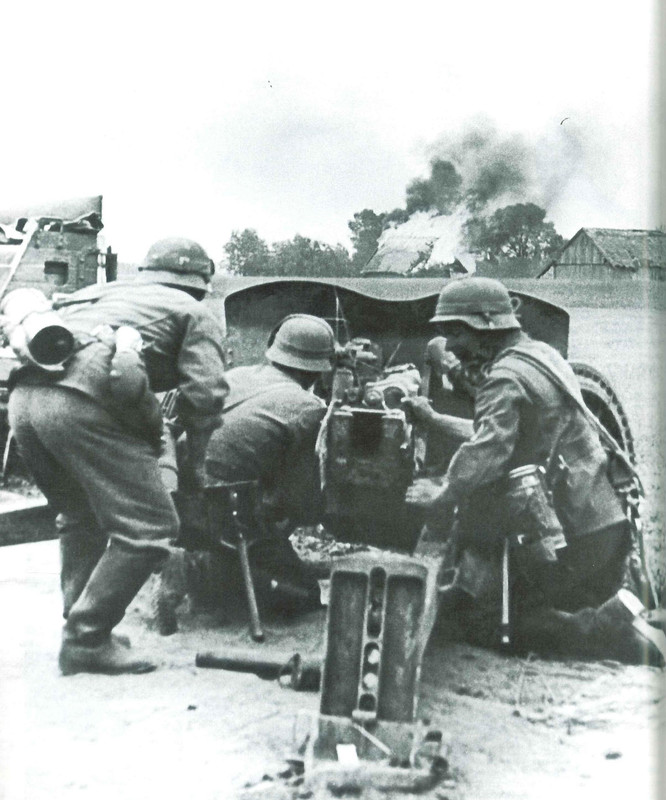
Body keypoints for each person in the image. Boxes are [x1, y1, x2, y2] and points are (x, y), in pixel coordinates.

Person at [404, 276, 663, 666]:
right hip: (605, 530)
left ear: (486, 327)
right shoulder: (540, 355)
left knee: (484, 621)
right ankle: (622, 615)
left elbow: (487, 451)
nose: (451, 345)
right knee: (485, 602)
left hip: (575, 544)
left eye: (456, 332)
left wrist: (442, 493)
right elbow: (499, 434)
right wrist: (433, 419)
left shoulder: (504, 379)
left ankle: (607, 629)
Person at [6, 237, 228, 675]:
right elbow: (205, 396)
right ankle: (86, 638)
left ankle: (83, 625)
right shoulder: (194, 311)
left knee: (79, 514)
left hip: (24, 400)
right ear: (199, 282)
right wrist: (198, 468)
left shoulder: (99, 292)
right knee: (150, 528)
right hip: (82, 402)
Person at [201, 314, 336, 602]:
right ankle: (204, 571)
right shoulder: (308, 407)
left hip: (178, 489)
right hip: (223, 508)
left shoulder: (237, 375)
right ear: (317, 370)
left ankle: (209, 564)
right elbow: (299, 498)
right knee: (305, 593)